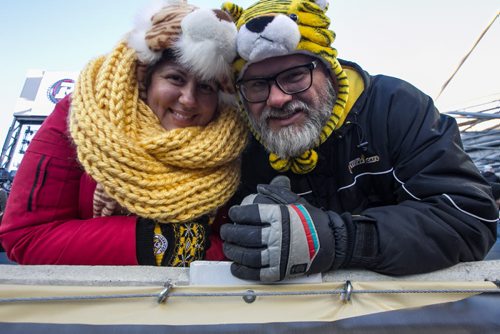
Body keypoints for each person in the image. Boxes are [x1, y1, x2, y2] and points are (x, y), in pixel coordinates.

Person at [219, 0, 499, 282]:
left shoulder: (395, 108)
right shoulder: (243, 145)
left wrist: (339, 240)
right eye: (256, 85)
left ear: (328, 69)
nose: (277, 98)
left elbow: (468, 219)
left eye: (294, 76)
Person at [0, 0, 248, 266]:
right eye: (175, 78)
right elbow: (26, 236)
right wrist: (161, 243)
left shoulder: (235, 141)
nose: (188, 99)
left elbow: (240, 244)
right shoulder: (82, 115)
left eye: (206, 88)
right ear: (147, 79)